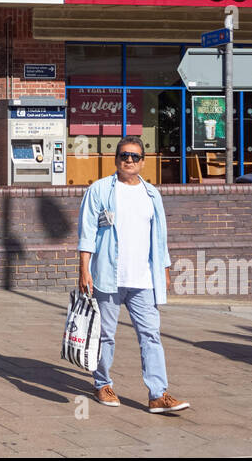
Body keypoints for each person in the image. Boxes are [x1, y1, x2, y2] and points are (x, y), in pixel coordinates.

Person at [77, 135, 190, 414]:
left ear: (143, 161)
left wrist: (164, 270)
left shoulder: (151, 194)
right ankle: (102, 383)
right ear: (116, 159)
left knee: (151, 335)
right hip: (107, 276)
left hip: (143, 279)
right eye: (124, 155)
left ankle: (157, 394)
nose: (129, 160)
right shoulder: (100, 190)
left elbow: (160, 238)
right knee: (106, 336)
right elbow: (87, 232)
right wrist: (84, 269)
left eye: (135, 156)